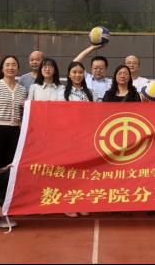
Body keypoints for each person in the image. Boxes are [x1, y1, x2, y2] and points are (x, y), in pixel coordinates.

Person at [63, 61, 94, 217]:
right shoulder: (62, 92)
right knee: (69, 171)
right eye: (74, 72)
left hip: (86, 137)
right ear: (69, 74)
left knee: (84, 171)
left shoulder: (91, 93)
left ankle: (81, 201)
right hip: (67, 137)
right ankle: (68, 203)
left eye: (80, 72)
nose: (77, 75)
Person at [0, 55, 27, 166]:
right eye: (7, 65)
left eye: (14, 65)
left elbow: (22, 113)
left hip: (15, 131)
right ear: (2, 68)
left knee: (11, 162)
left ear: (18, 68)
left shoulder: (22, 90)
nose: (10, 68)